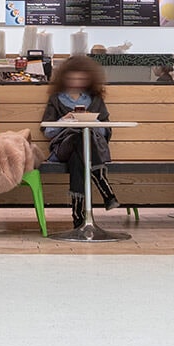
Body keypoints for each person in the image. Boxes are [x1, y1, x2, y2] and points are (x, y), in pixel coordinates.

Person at [41, 55, 120, 226]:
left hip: (88, 147)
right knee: (77, 137)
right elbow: (47, 131)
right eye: (72, 77)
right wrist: (65, 119)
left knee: (79, 156)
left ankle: (79, 218)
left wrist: (91, 120)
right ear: (64, 78)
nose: (76, 81)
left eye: (81, 77)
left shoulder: (95, 100)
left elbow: (106, 131)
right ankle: (105, 189)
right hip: (63, 147)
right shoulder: (56, 100)